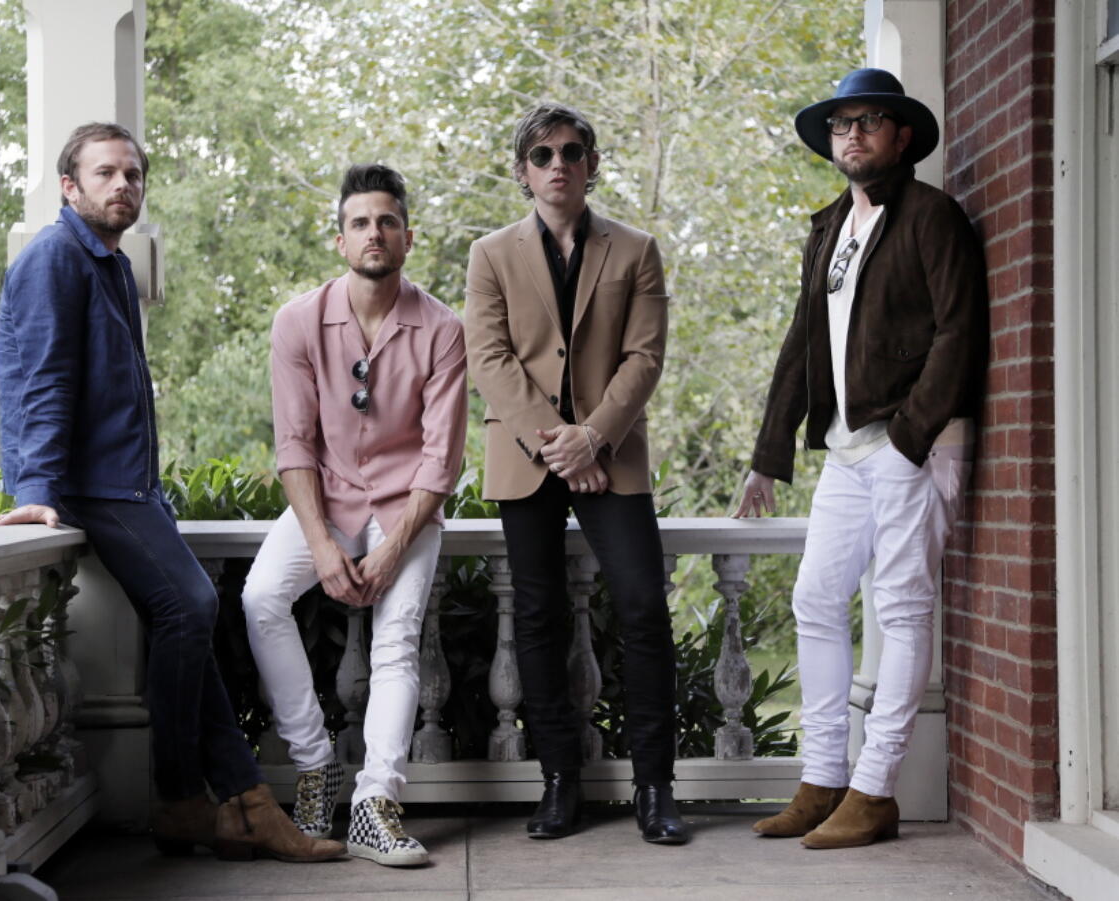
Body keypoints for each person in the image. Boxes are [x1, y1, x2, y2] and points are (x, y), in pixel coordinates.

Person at [0, 122, 345, 864]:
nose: (123, 185)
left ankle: (244, 803)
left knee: (190, 629)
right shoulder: (57, 258)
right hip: (93, 488)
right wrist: (38, 488)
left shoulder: (109, 263)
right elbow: (42, 381)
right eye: (106, 173)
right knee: (191, 604)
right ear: (68, 186)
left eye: (133, 175)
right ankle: (183, 797)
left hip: (130, 486)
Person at [734, 69, 988, 849]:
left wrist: (913, 432)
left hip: (913, 443)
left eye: (868, 122)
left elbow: (959, 332)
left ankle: (875, 791)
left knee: (904, 606)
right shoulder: (832, 226)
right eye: (841, 124)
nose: (852, 135)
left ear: (901, 135)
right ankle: (823, 778)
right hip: (847, 450)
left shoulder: (932, 218)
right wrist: (768, 454)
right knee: (816, 597)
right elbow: (802, 344)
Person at [465, 102, 688, 845]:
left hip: (611, 453)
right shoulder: (490, 254)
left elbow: (645, 357)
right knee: (536, 617)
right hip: (529, 458)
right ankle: (560, 779)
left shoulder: (637, 250)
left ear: (592, 162)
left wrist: (593, 439)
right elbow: (489, 358)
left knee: (643, 609)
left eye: (570, 151)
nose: (557, 164)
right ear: (521, 170)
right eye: (541, 154)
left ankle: (656, 786)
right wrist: (556, 444)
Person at [240, 163, 467, 867]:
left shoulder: (442, 328)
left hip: (407, 507)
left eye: (388, 221)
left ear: (408, 237)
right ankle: (315, 765)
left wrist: (393, 546)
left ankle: (375, 801)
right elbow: (294, 444)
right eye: (361, 222)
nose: (375, 232)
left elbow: (442, 458)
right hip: (328, 499)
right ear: (340, 239)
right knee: (260, 597)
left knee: (396, 637)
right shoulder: (298, 322)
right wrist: (323, 542)